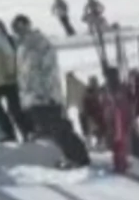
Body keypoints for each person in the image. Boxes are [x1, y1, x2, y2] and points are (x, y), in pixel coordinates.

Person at [11, 14, 90, 167]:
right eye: (16, 28)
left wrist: (46, 93)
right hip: (33, 96)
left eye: (20, 27)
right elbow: (24, 74)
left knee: (58, 127)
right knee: (52, 128)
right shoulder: (22, 47)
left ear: (27, 25)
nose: (18, 31)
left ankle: (79, 157)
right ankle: (72, 156)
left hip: (45, 96)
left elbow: (49, 70)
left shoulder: (39, 43)